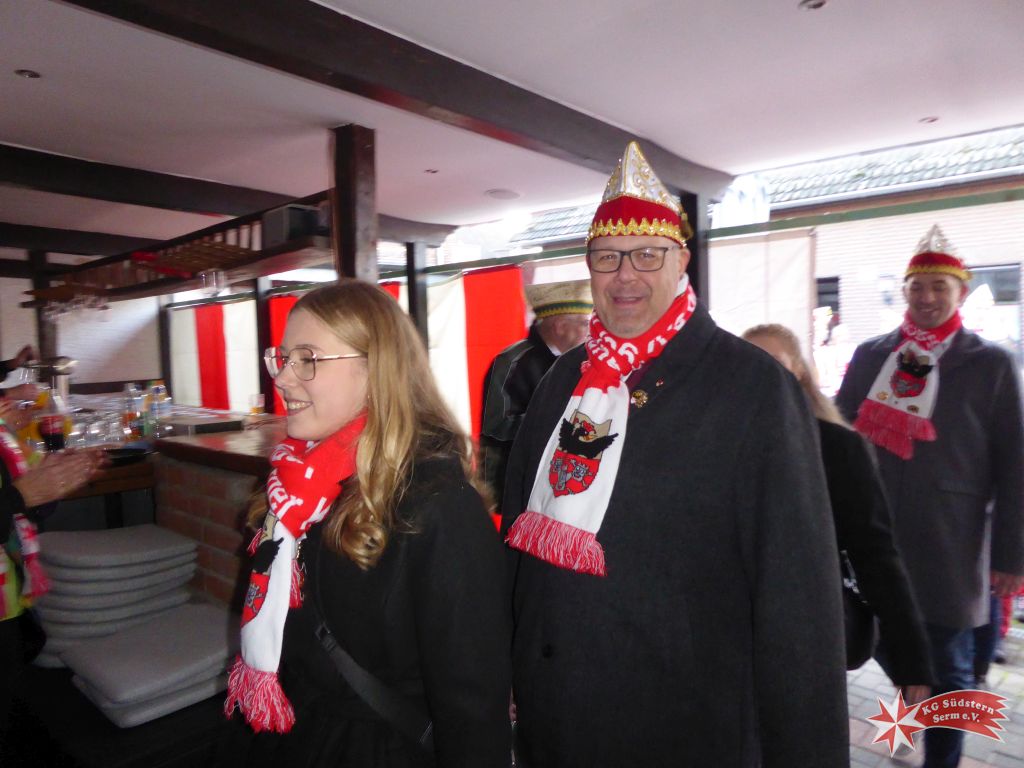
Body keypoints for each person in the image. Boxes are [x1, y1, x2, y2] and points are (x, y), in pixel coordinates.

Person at [501, 142, 848, 767]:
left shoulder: (753, 388)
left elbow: (798, 598)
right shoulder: (562, 381)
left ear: (682, 260)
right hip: (555, 719)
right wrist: (506, 663)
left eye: (647, 254)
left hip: (682, 726)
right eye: (607, 257)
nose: (625, 275)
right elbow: (519, 537)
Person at [219, 280, 511, 767]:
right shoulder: (295, 486)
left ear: (377, 370)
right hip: (287, 733)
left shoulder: (437, 505)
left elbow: (472, 703)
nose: (284, 378)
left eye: (308, 359)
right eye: (283, 358)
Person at [836, 225, 1024, 768]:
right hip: (875, 539)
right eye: (917, 286)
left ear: (960, 292)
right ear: (905, 292)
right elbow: (839, 436)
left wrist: (1010, 557)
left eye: (940, 286)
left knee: (949, 671)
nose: (927, 296)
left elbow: (1014, 465)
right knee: (890, 651)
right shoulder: (872, 356)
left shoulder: (990, 364)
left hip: (952, 545)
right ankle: (906, 728)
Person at [742, 323, 934, 701]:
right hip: (726, 636)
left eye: (774, 363)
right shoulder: (716, 443)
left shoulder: (837, 448)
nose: (762, 374)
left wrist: (910, 656)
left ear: (798, 371)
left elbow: (875, 553)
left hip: (803, 635)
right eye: (749, 364)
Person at [0, 397, 103, 756]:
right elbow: (17, 497)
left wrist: (57, 477)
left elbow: (28, 501)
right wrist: (20, 496)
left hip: (8, 599)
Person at [480, 280, 592, 509]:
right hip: (519, 487)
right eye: (584, 323)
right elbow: (497, 426)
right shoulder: (511, 362)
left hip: (564, 487)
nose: (590, 332)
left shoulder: (581, 362)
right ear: (560, 326)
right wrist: (559, 418)